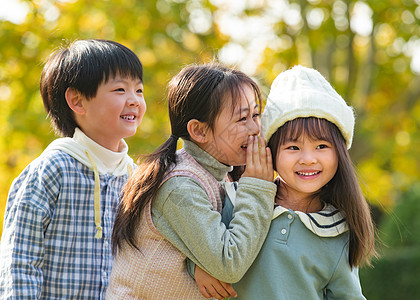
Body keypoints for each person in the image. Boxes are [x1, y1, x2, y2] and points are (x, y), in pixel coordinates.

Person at [195, 65, 378, 299]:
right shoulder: (237, 198)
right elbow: (202, 246)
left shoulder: (337, 232)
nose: (308, 159)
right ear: (270, 151)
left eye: (321, 146)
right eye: (293, 147)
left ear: (339, 153)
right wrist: (198, 266)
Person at [107, 63, 277, 299]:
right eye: (242, 119)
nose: (255, 128)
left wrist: (194, 264)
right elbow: (229, 263)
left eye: (256, 115)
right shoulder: (179, 185)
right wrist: (258, 188)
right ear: (199, 131)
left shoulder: (224, 173)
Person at [0, 39, 146, 299]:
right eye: (121, 89)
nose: (134, 100)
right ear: (77, 101)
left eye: (139, 90)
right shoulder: (52, 170)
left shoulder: (133, 178)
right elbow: (19, 260)